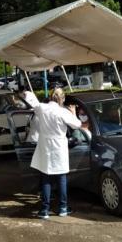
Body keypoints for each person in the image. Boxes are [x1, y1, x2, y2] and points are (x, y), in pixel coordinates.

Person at [30, 87, 81, 219]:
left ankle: (45, 210)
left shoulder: (42, 108)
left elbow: (30, 100)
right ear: (62, 99)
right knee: (61, 178)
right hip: (59, 147)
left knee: (46, 177)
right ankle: (63, 208)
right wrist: (73, 112)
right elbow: (77, 125)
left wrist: (25, 93)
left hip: (46, 147)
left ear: (51, 97)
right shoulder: (63, 112)